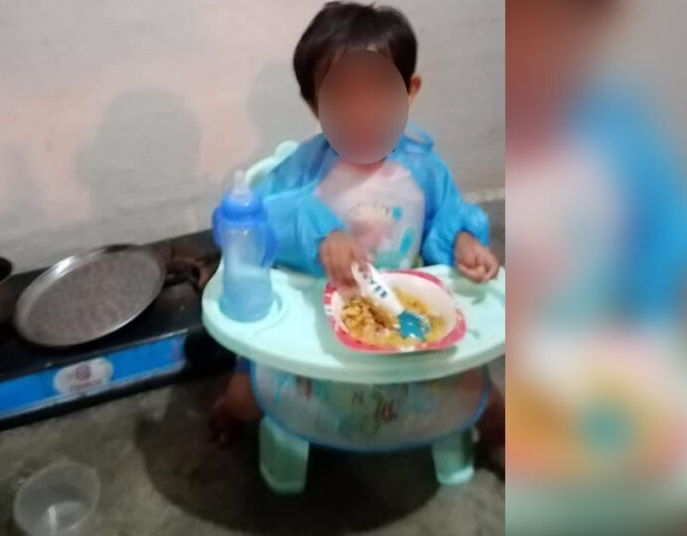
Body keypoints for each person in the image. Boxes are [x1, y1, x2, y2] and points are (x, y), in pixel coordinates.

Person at [211, 2, 500, 444]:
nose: (362, 112)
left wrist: (462, 240)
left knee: (484, 395)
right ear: (315, 103)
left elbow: (447, 214)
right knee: (245, 398)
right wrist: (321, 233)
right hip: (317, 322)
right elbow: (253, 221)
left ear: (409, 91)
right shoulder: (305, 167)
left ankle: (500, 441)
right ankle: (228, 416)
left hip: (399, 317)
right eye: (342, 98)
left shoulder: (423, 168)